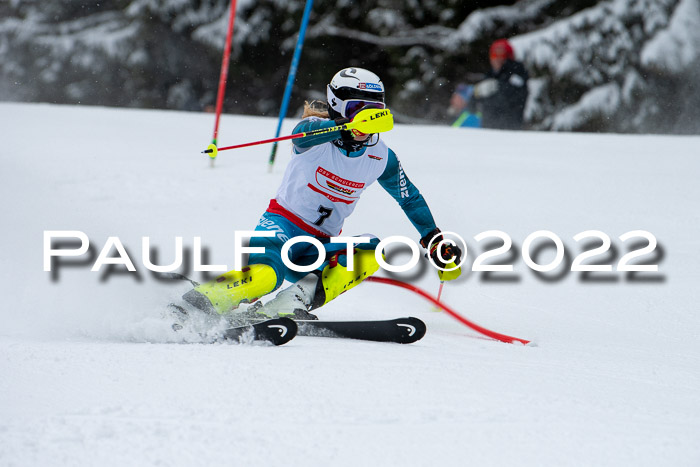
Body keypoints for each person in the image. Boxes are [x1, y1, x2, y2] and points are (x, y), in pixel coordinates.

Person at [182, 67, 462, 320]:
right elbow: (302, 132)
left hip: (319, 244)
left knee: (372, 250)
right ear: (338, 106)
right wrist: (345, 128)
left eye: (375, 111)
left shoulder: (381, 156)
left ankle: (289, 304)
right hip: (280, 228)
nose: (368, 122)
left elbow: (408, 196)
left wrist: (433, 239)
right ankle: (201, 301)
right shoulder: (312, 136)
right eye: (357, 109)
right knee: (265, 277)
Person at [472, 39, 529, 130]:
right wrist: (476, 93)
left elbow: (515, 96)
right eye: (494, 54)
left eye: (501, 55)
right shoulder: (489, 75)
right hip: (488, 128)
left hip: (509, 129)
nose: (497, 58)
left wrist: (497, 86)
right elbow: (474, 103)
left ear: (508, 56)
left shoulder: (517, 72)